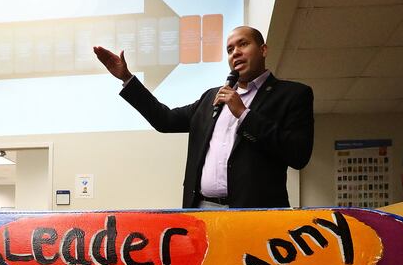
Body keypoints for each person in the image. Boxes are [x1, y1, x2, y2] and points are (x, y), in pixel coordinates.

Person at [93, 26, 313, 209]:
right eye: (230, 49)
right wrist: (127, 79)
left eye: (243, 44)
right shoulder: (212, 97)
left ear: (263, 49)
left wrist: (244, 115)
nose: (235, 52)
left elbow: (298, 154)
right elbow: (165, 120)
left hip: (253, 211)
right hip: (202, 209)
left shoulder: (292, 95)